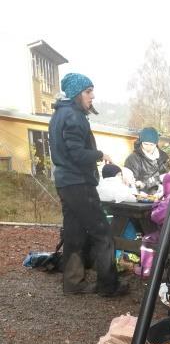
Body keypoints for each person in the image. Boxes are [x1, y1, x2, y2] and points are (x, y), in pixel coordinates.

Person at [49, 72, 127, 297]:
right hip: (79, 183)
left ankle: (72, 283)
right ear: (76, 94)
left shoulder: (58, 115)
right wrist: (100, 153)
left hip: (64, 183)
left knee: (74, 233)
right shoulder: (74, 116)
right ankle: (108, 286)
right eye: (88, 91)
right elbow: (77, 154)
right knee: (103, 233)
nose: (92, 96)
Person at [124, 127, 170, 194]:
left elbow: (167, 178)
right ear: (141, 142)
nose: (148, 147)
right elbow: (131, 182)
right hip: (140, 197)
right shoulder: (133, 159)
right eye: (145, 144)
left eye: (151, 144)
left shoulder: (163, 157)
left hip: (160, 195)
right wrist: (138, 184)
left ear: (156, 144)